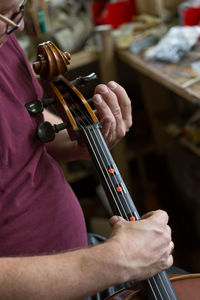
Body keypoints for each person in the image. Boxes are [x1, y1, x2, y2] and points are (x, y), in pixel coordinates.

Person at [0, 0, 174, 299]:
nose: (14, 25)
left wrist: (82, 139)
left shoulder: (4, 35)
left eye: (19, 9)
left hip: (82, 259)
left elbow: (22, 126)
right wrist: (117, 260)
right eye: (5, 15)